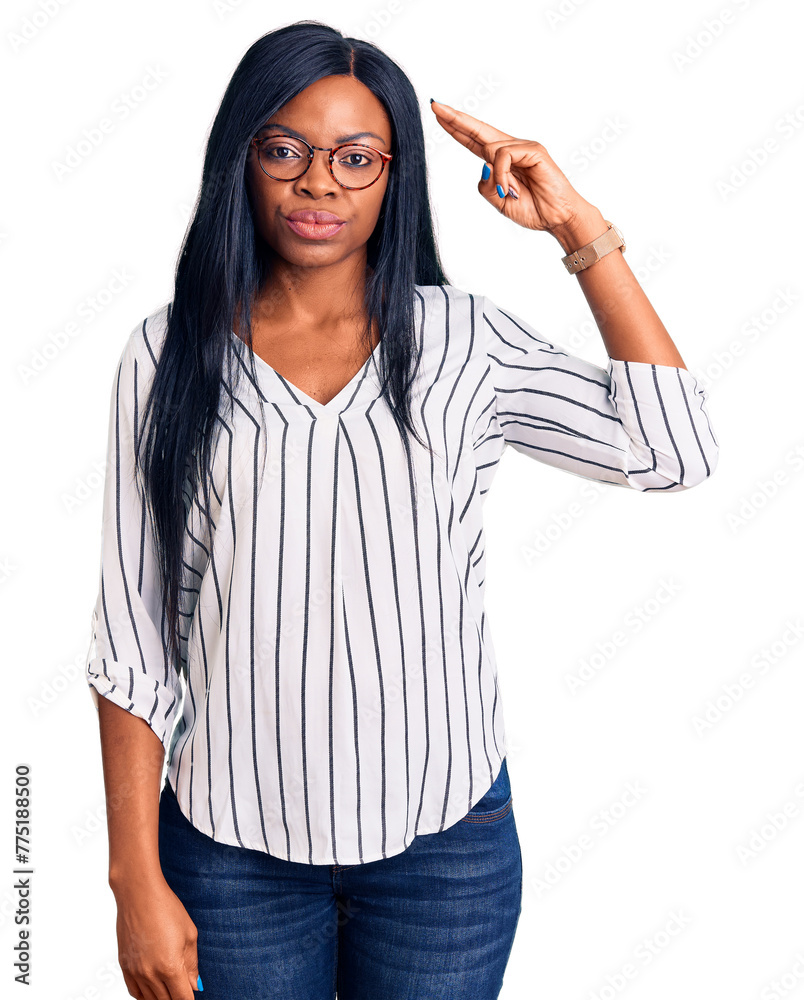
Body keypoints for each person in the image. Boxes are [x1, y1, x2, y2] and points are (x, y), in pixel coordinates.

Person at [83, 18, 719, 1000]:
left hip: (445, 850)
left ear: (395, 174)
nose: (319, 183)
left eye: (355, 157)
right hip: (230, 852)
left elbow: (672, 450)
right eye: (286, 149)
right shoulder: (168, 355)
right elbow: (131, 638)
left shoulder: (464, 342)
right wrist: (134, 877)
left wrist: (577, 231)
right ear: (241, 158)